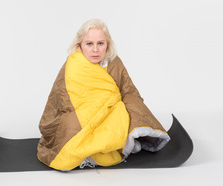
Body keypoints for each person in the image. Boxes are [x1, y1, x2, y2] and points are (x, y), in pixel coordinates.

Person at [37, 19, 170, 171]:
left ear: (107, 44)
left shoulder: (114, 62)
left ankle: (116, 144)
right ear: (79, 44)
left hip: (110, 114)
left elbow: (128, 90)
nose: (95, 50)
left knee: (125, 110)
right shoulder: (73, 64)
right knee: (71, 126)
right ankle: (108, 147)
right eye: (89, 44)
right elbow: (60, 98)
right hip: (81, 114)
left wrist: (122, 107)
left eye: (100, 43)